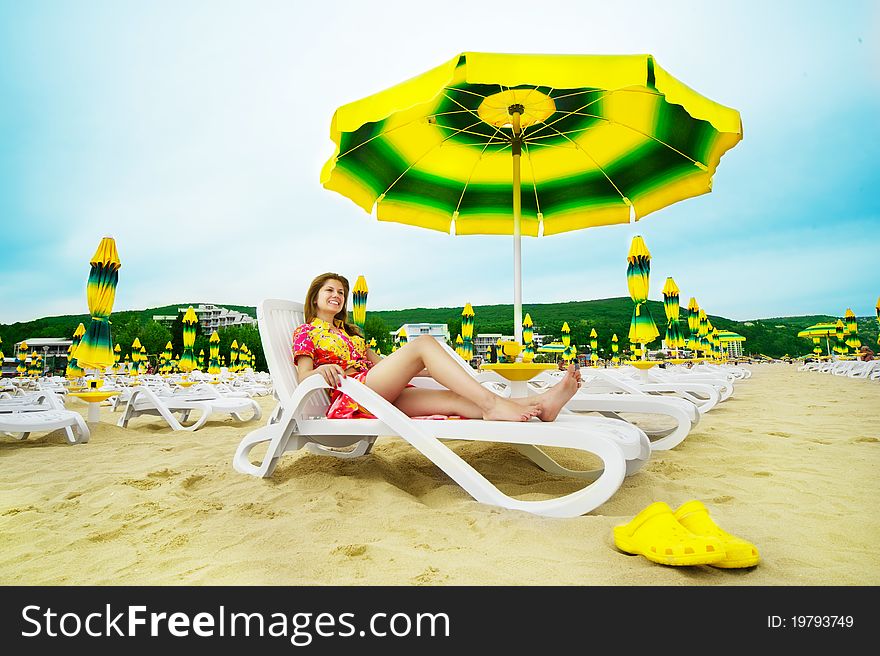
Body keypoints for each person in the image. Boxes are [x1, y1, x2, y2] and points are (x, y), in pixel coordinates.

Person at [293, 272, 580, 423]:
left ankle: (542, 407)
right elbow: (303, 377)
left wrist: (428, 368)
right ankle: (493, 405)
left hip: (378, 390)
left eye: (341, 292)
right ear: (315, 298)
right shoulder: (305, 332)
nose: (337, 295)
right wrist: (322, 368)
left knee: (455, 399)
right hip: (352, 396)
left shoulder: (352, 333)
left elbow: (381, 364)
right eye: (329, 290)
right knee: (425, 343)